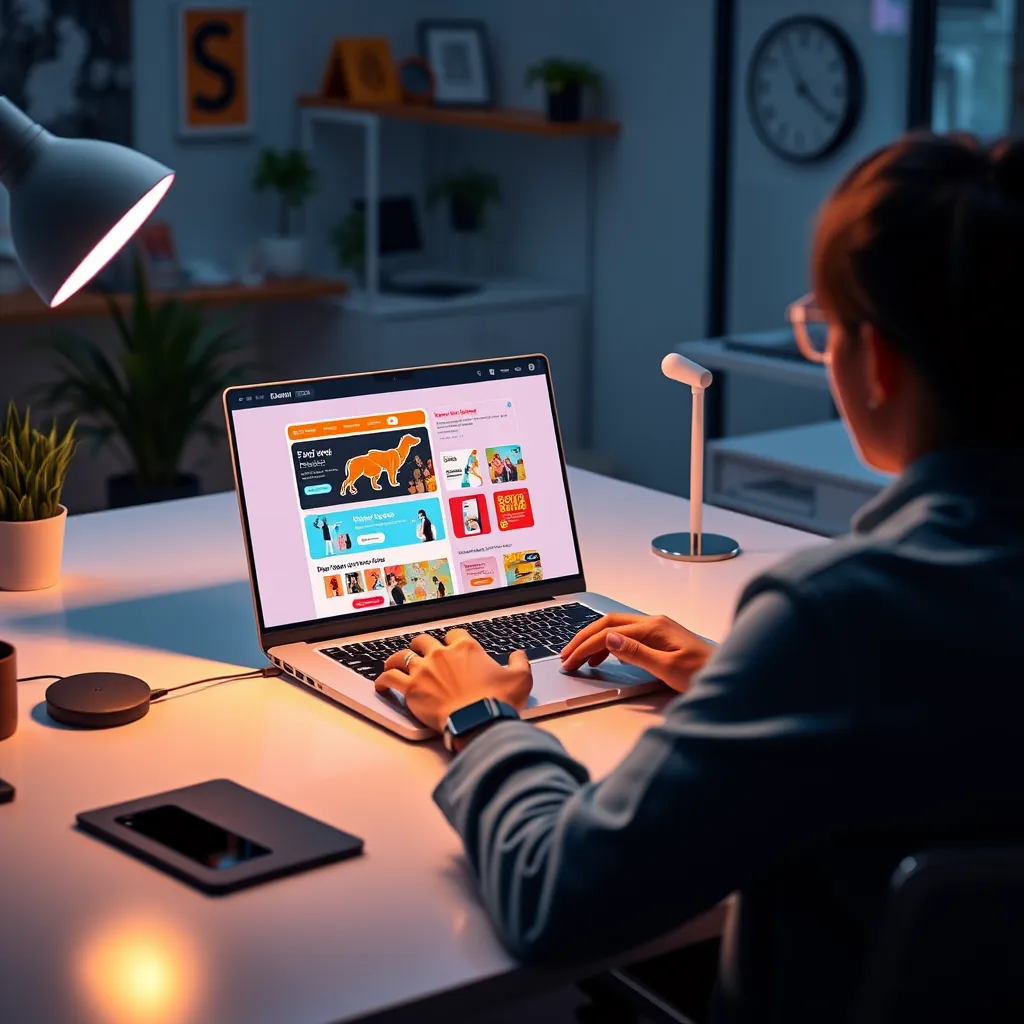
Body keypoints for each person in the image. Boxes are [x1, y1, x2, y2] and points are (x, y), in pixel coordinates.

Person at [372, 133, 1024, 1023]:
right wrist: (743, 679)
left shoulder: (835, 622)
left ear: (878, 362)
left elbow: (556, 896)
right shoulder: (861, 634)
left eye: (822, 326)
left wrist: (480, 717)